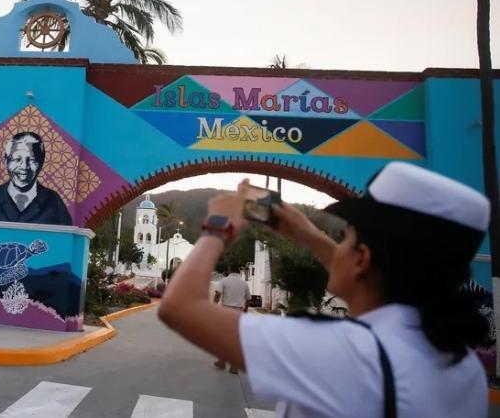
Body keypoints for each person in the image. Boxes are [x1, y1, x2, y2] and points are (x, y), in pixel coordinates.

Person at [158, 162, 490, 417]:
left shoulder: (350, 354)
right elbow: (369, 280)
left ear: (362, 259)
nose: (338, 247)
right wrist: (310, 235)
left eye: (345, 238)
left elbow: (179, 306)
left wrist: (218, 227)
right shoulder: (463, 366)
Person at [0, 131, 72, 225]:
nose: (24, 167)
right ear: (6, 161)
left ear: (41, 163)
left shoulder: (54, 202)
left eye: (32, 160)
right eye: (17, 159)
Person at [212, 265, 250, 374]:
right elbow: (248, 299)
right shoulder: (244, 283)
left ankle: (222, 361)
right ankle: (234, 366)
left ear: (229, 270)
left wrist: (214, 305)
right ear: (239, 271)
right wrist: (245, 310)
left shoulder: (224, 281)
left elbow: (217, 294)